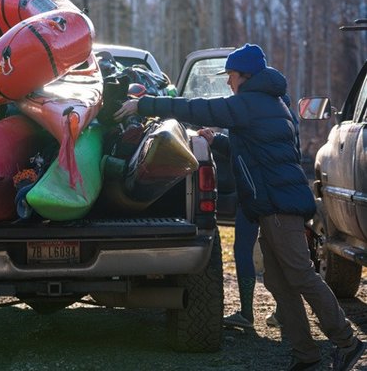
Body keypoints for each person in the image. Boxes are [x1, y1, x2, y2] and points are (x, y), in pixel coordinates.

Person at [114, 43, 365, 371]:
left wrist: (144, 105)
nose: (228, 82)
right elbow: (250, 146)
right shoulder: (271, 104)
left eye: (231, 75)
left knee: (301, 277)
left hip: (278, 209)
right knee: (278, 281)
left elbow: (198, 107)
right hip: (273, 207)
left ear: (244, 76)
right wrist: (215, 140)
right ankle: (305, 354)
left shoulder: (251, 103)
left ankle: (347, 342)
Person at [198, 127, 281, 330]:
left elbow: (245, 149)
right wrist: (216, 140)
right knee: (279, 251)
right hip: (277, 193)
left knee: (246, 249)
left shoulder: (249, 107)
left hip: (256, 194)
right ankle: (283, 312)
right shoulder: (279, 111)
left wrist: (217, 140)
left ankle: (247, 313)